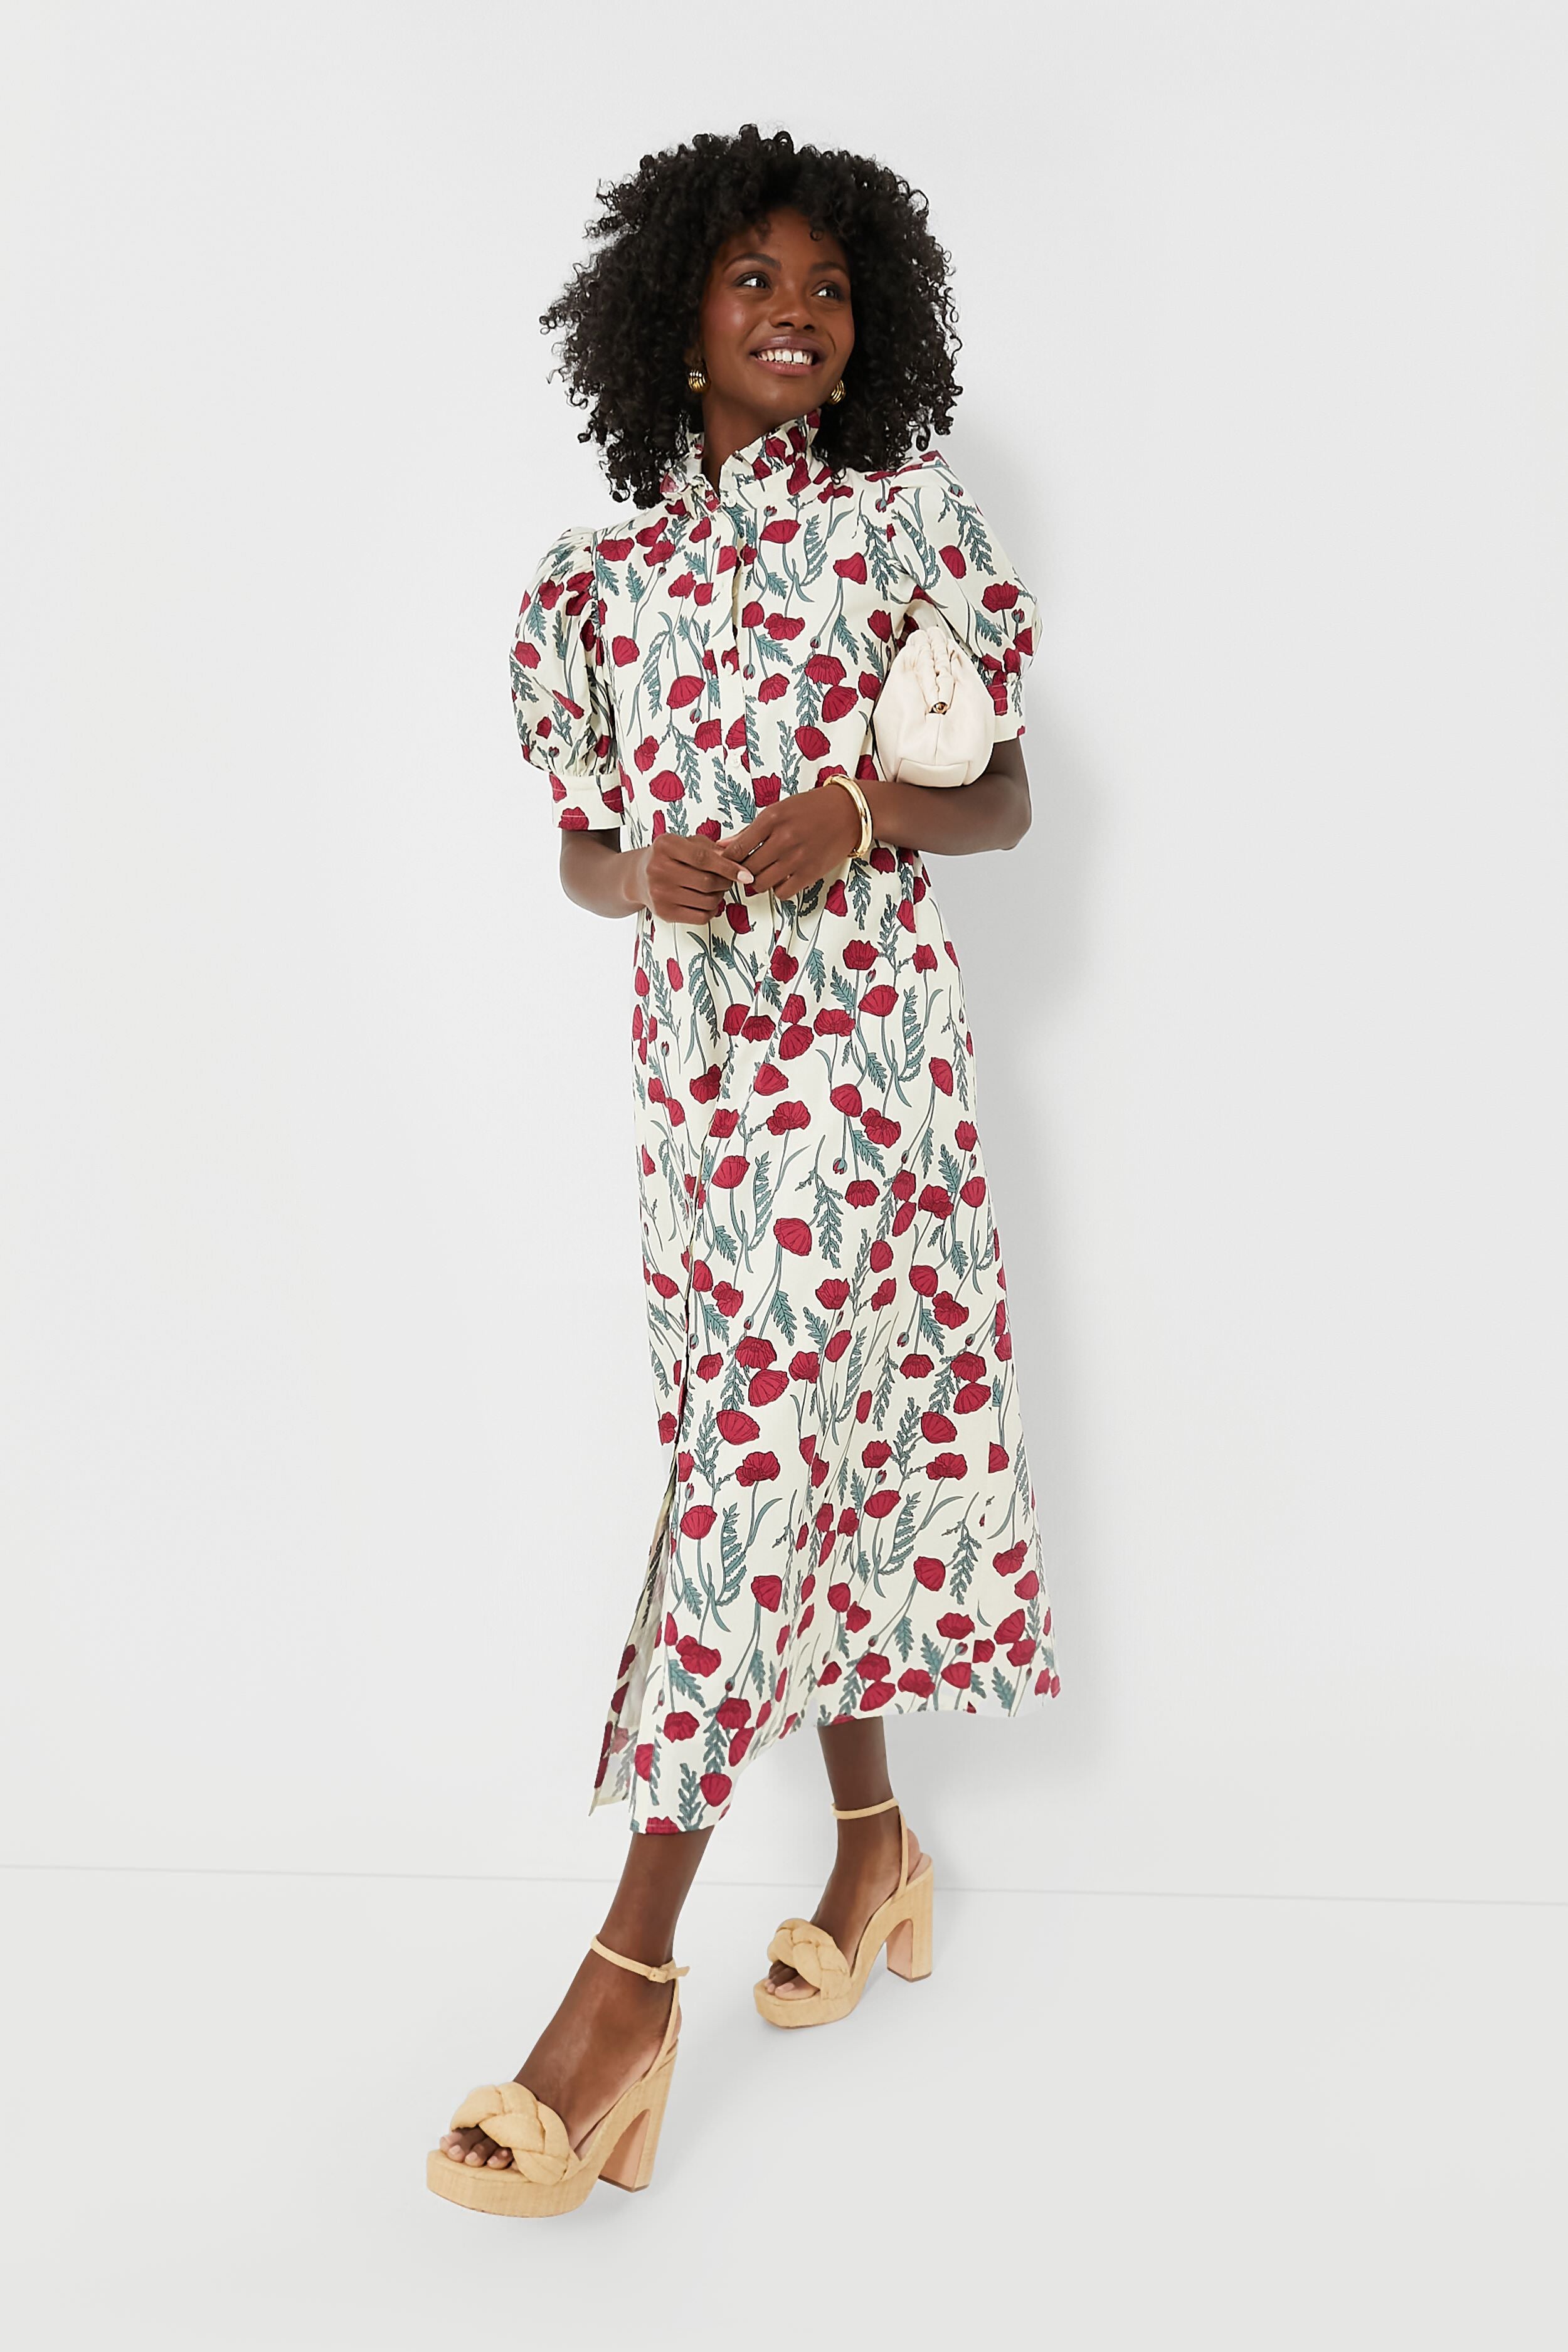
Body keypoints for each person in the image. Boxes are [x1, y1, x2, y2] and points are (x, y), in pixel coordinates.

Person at [428, 122, 1059, 2218]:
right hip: (700, 1094)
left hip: (865, 1073)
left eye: (829, 287)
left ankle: (618, 1997)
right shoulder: (592, 588)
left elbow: (1005, 801)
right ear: (675, 317)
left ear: (871, 327)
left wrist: (861, 814)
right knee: (785, 1455)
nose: (795, 313)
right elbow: (578, 849)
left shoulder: (899, 523)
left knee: (756, 1473)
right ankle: (875, 1849)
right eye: (753, 281)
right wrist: (643, 880)